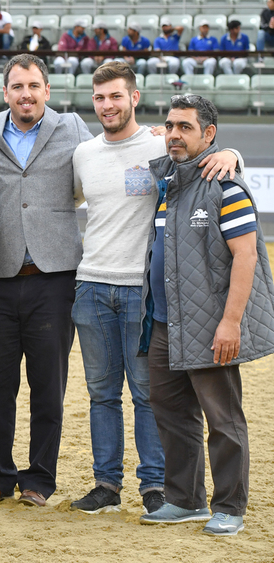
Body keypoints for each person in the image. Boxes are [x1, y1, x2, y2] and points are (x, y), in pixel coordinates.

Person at [69, 63, 239, 516]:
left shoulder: (160, 144)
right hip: (91, 286)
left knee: (149, 396)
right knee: (101, 394)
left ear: (134, 98)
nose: (108, 105)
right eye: (100, 97)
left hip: (142, 292)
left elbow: (204, 153)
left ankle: (156, 486)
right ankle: (106, 484)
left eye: (116, 96)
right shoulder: (83, 153)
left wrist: (233, 153)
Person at [139, 95, 274, 536]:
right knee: (171, 414)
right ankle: (184, 500)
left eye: (185, 127)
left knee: (223, 420)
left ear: (209, 135)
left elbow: (247, 256)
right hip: (163, 324)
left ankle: (230, 506)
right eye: (170, 126)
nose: (174, 134)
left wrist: (230, 322)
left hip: (209, 326)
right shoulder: (169, 184)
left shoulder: (226, 186)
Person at [0, 54, 93, 509]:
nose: (26, 94)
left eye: (34, 86)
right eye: (17, 86)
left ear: (47, 90)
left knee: (49, 386)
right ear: (5, 92)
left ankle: (40, 478)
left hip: (55, 278)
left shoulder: (74, 128)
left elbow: (111, 158)